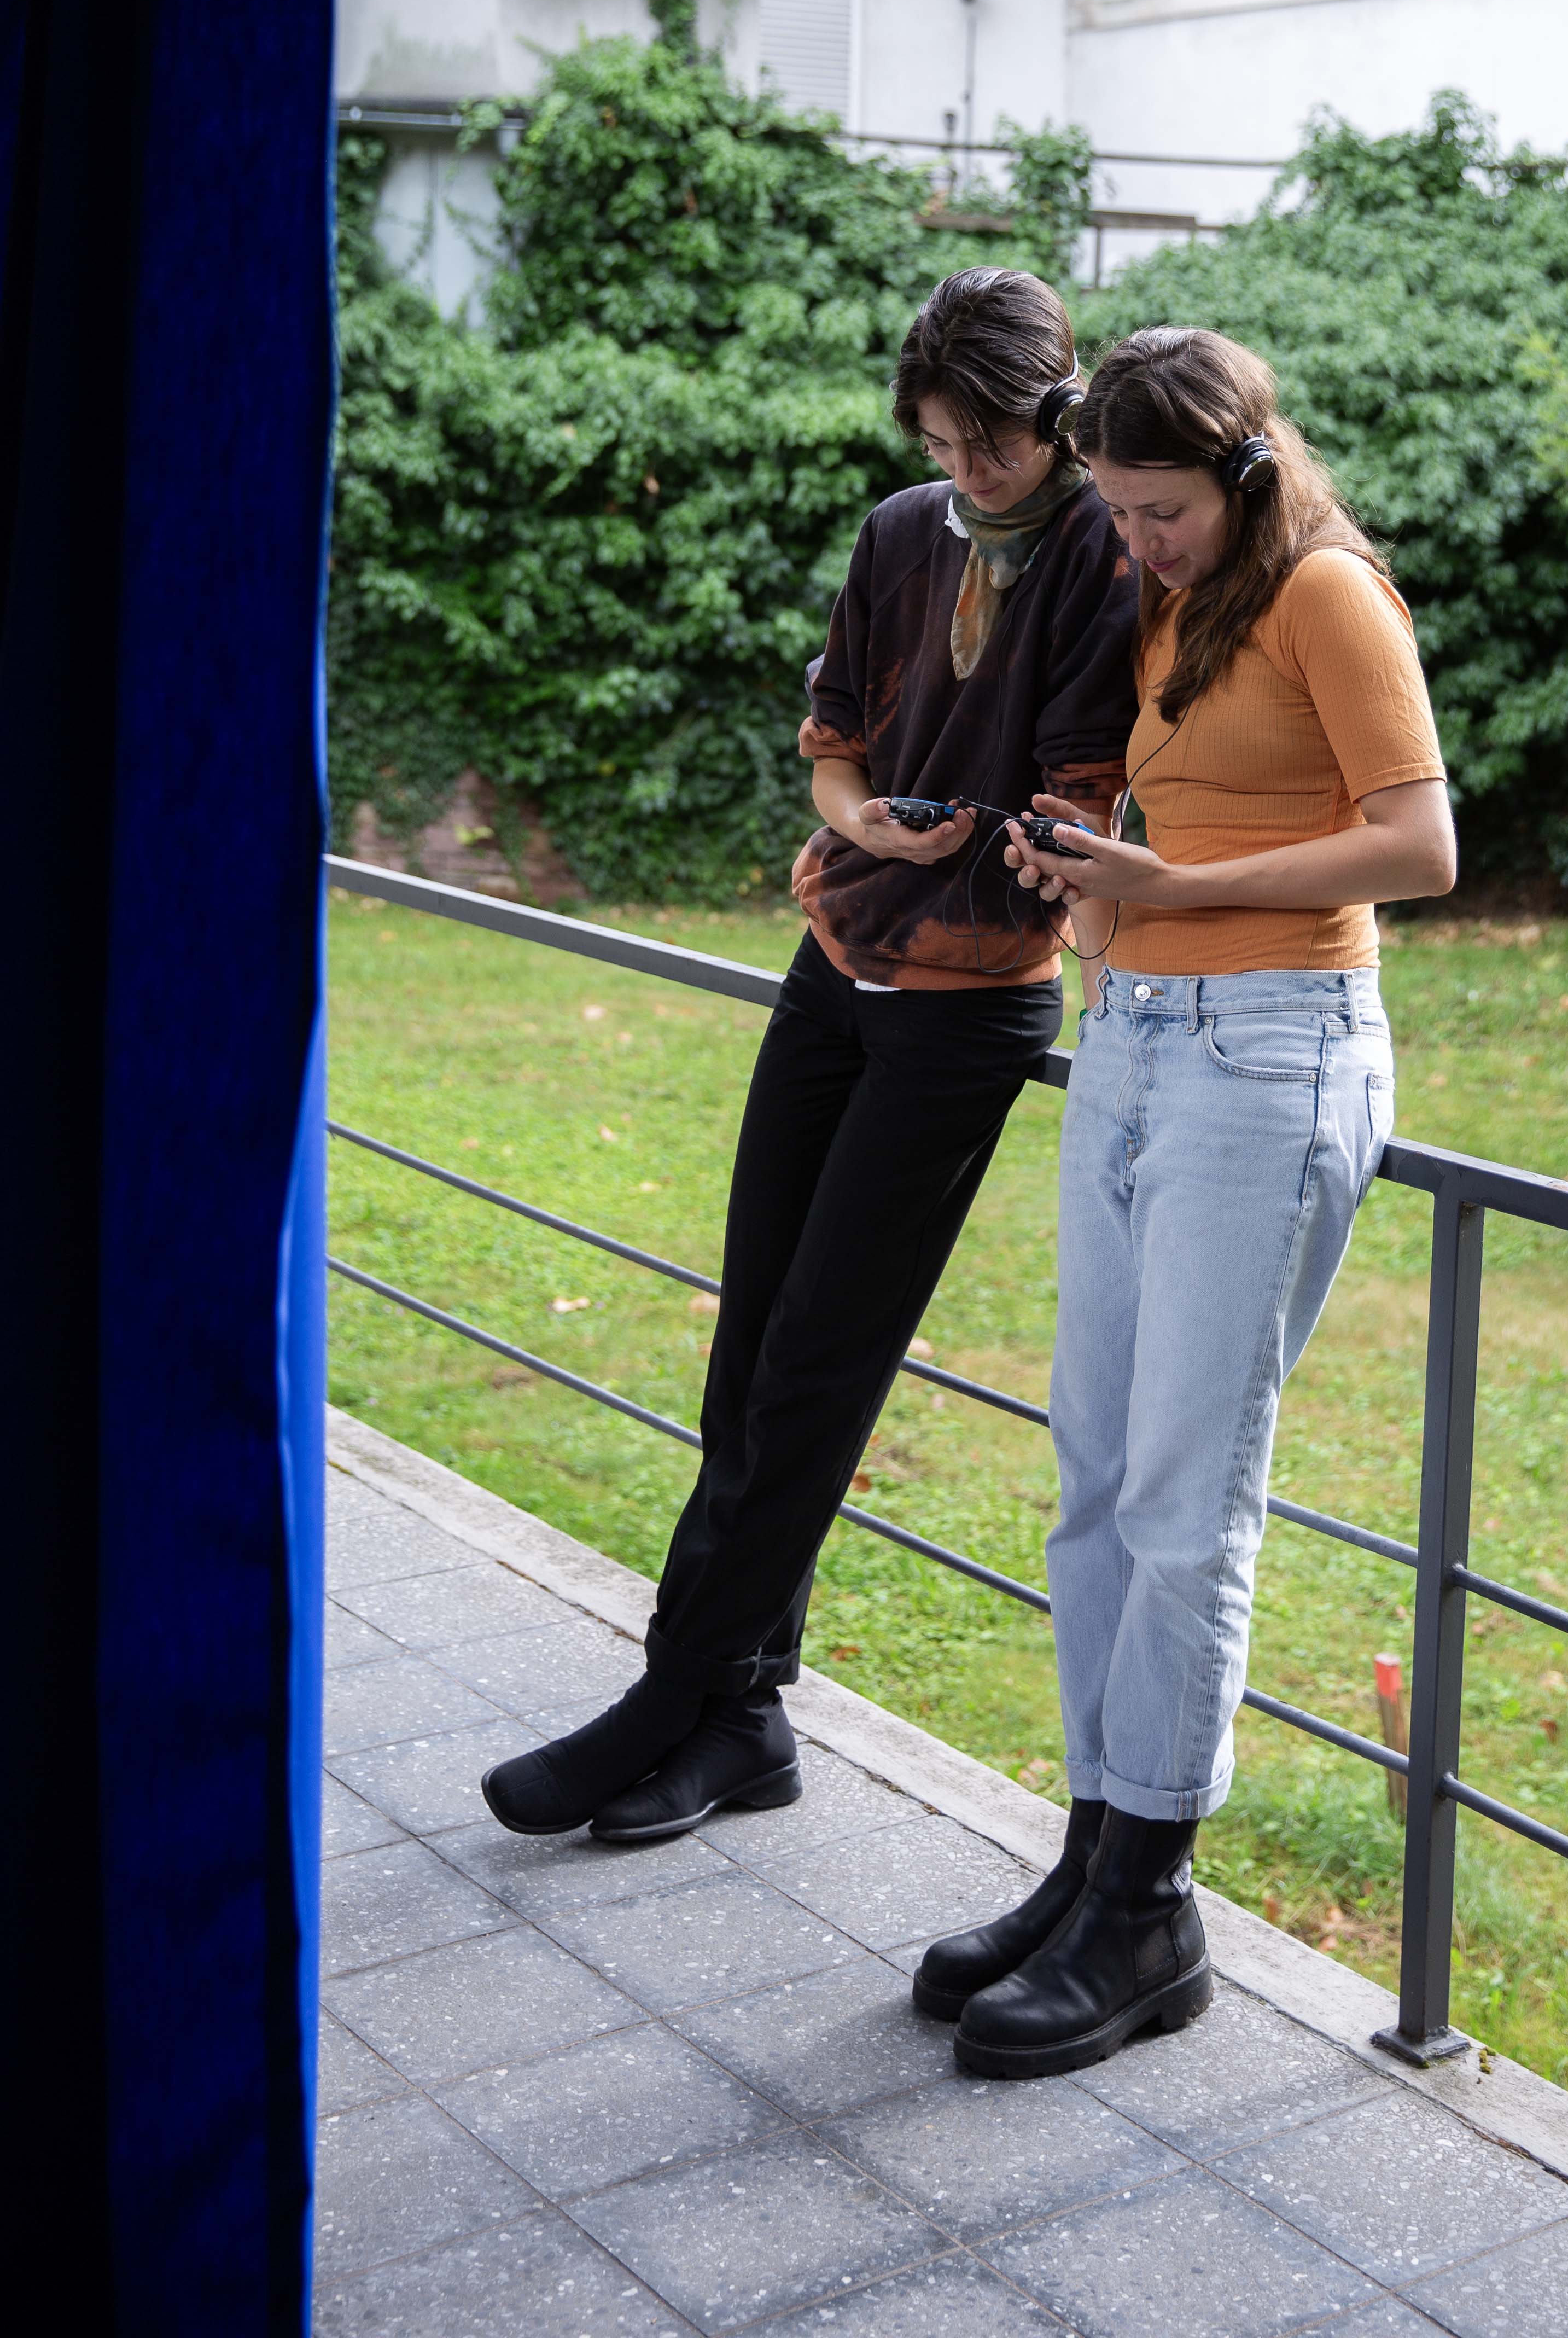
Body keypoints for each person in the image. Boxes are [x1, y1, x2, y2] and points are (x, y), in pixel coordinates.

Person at [483, 268, 1138, 1843]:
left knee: (819, 1366)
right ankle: (740, 1718)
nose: (966, 474)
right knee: (752, 1349)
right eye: (941, 443)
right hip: (838, 957)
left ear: (1059, 418)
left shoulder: (1108, 552)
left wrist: (999, 847)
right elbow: (837, 747)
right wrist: (867, 829)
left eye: (993, 446)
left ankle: (670, 1695)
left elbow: (1082, 803)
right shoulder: (901, 533)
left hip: (969, 1002)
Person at [913, 325, 1456, 2079]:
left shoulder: (1325, 596)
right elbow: (1153, 855)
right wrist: (1087, 885)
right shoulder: (1172, 605)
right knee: (1091, 1473)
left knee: (1182, 1497)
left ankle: (1152, 1908)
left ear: (1242, 474)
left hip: (1276, 1051)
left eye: (1160, 512)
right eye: (1118, 510)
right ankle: (1093, 1860)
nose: (1134, 541)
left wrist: (1172, 882)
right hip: (1136, 1031)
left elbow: (1422, 843)